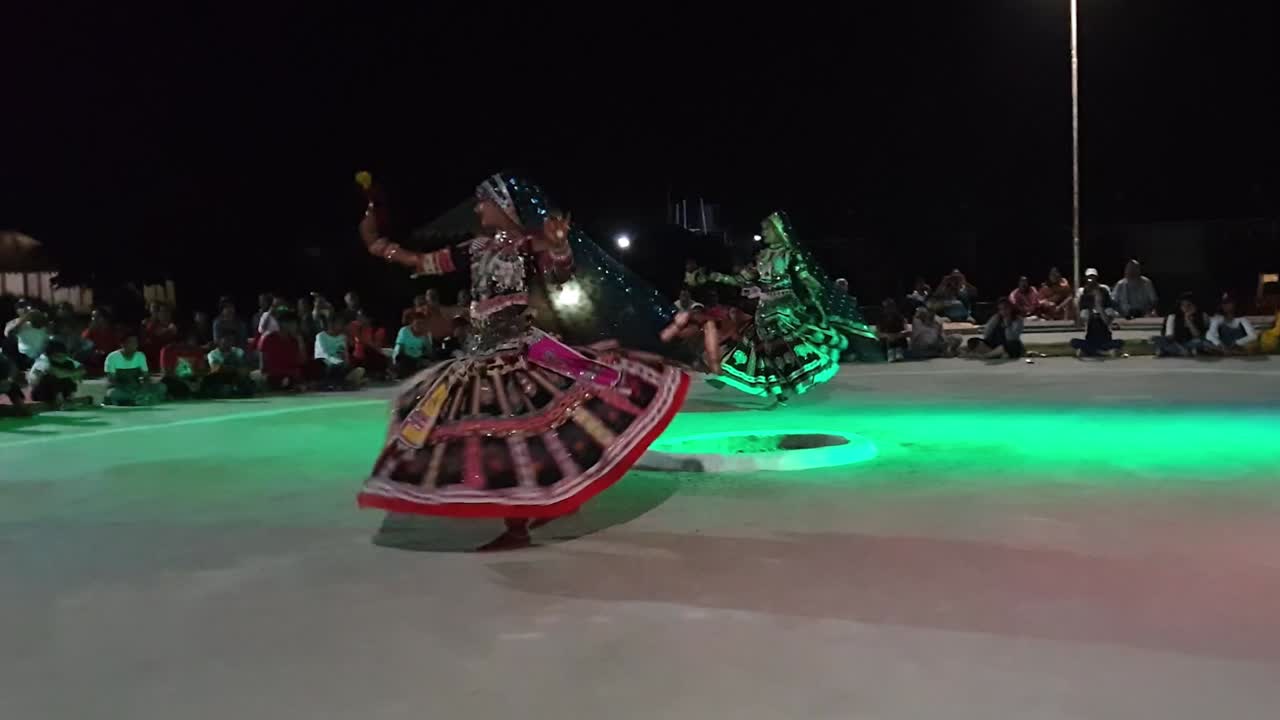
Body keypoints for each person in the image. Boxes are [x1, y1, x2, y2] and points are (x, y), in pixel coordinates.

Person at [356, 171, 689, 551]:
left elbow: (560, 273)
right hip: (481, 355)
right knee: (487, 432)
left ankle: (520, 524)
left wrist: (561, 246)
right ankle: (539, 505)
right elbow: (419, 260)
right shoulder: (474, 249)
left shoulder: (529, 244)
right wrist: (376, 243)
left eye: (483, 201)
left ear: (503, 205)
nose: (478, 208)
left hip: (518, 352)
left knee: (523, 432)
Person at [698, 211, 878, 401]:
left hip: (785, 307)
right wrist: (715, 277)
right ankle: (753, 381)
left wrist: (814, 287)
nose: (764, 232)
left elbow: (803, 276)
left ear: (777, 230)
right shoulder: (762, 256)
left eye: (766, 229)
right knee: (761, 349)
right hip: (764, 309)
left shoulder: (790, 254)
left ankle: (786, 383)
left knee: (783, 345)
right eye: (763, 229)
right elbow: (741, 279)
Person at [103, 334, 165, 406]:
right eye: (130, 342)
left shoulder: (140, 356)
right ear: (122, 344)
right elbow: (112, 380)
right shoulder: (112, 357)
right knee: (112, 393)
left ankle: (134, 399)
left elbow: (145, 377)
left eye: (135, 343)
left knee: (162, 387)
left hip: (137, 387)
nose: (134, 345)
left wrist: (143, 388)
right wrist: (126, 388)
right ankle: (137, 399)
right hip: (121, 388)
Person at [27, 340, 87, 408]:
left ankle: (69, 399)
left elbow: (82, 369)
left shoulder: (64, 359)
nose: (62, 358)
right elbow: (57, 373)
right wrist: (75, 374)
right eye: (58, 356)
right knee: (51, 376)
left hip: (58, 390)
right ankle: (59, 402)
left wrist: (75, 374)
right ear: (51, 355)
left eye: (63, 356)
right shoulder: (42, 361)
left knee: (69, 366)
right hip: (40, 392)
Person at [1071, 285, 1124, 358]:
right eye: (1094, 296)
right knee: (1074, 342)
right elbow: (1079, 325)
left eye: (1098, 296)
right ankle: (1103, 353)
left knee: (1120, 342)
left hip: (1105, 341)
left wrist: (1099, 307)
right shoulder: (1086, 311)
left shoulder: (1108, 310)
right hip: (1091, 341)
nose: (1096, 298)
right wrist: (1079, 307)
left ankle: (1090, 352)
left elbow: (1107, 322)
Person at [259, 312, 308, 390]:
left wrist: (300, 341)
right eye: (293, 324)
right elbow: (263, 365)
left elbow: (302, 361)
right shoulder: (268, 338)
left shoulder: (295, 340)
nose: (296, 327)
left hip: (291, 375)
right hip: (273, 375)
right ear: (283, 324)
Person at [313, 315, 365, 389]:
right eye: (339, 323)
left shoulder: (343, 337)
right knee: (333, 368)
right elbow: (321, 354)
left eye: (342, 324)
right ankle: (343, 382)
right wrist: (333, 362)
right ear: (331, 324)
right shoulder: (321, 336)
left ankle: (342, 382)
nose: (341, 326)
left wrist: (346, 359)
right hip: (326, 363)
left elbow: (344, 352)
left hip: (340, 364)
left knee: (360, 369)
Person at [1154, 293, 1211, 357]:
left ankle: (1170, 350)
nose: (1186, 308)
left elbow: (1197, 336)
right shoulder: (1173, 317)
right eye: (1183, 305)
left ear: (1194, 306)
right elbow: (1170, 336)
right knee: (1159, 340)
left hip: (1190, 343)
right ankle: (1178, 350)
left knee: (1202, 343)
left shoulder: (1201, 316)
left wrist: (1188, 320)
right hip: (1176, 342)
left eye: (1189, 305)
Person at [205, 331, 258, 397]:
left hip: (236, 377)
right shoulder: (212, 354)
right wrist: (233, 368)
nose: (228, 343)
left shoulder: (239, 351)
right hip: (221, 378)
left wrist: (229, 368)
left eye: (230, 340)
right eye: (225, 340)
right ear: (219, 342)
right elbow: (216, 368)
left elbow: (244, 368)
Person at [158, 332, 210, 399]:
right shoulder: (167, 350)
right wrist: (187, 383)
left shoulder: (197, 350)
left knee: (209, 381)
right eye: (193, 339)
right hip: (175, 379)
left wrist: (199, 381)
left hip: (192, 379)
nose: (195, 341)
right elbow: (167, 373)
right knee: (165, 383)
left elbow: (201, 370)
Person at [4, 305, 50, 371]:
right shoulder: (23, 325)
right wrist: (24, 318)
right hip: (22, 357)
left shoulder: (46, 327)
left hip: (39, 359)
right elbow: (8, 333)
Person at [348, 308, 389, 378]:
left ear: (369, 319)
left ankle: (373, 373)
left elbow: (377, 348)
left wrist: (364, 341)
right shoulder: (354, 325)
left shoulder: (378, 330)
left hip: (370, 357)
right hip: (357, 358)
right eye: (357, 316)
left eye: (361, 316)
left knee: (369, 351)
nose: (358, 318)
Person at [392, 312, 433, 378]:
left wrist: (426, 339)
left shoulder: (426, 333)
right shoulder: (404, 330)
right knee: (402, 361)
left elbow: (429, 352)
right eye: (418, 323)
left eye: (422, 323)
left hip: (418, 359)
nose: (420, 325)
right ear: (412, 323)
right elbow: (400, 348)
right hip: (405, 358)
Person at [81, 308, 120, 376]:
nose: (94, 319)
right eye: (93, 317)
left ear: (105, 319)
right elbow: (82, 346)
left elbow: (118, 349)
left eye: (97, 317)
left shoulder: (113, 332)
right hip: (94, 360)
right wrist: (90, 330)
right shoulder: (89, 332)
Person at [141, 303, 178, 370]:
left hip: (170, 361)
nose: (164, 314)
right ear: (158, 314)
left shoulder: (174, 327)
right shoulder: (152, 326)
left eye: (167, 311)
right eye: (162, 312)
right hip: (154, 361)